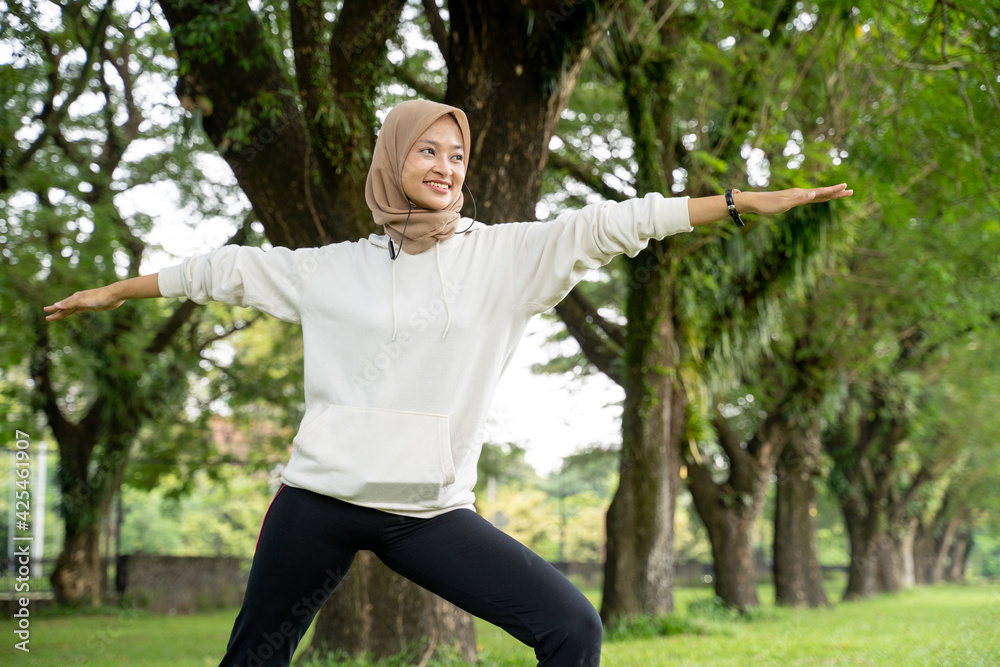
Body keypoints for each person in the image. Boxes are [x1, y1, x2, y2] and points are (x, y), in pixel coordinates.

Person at [45, 99, 852, 666]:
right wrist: (116, 290)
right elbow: (221, 270)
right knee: (254, 656)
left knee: (572, 627)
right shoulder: (331, 270)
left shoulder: (504, 257)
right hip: (317, 499)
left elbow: (617, 223)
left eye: (457, 154)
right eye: (427, 150)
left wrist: (738, 203)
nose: (445, 165)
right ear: (393, 159)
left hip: (428, 511)